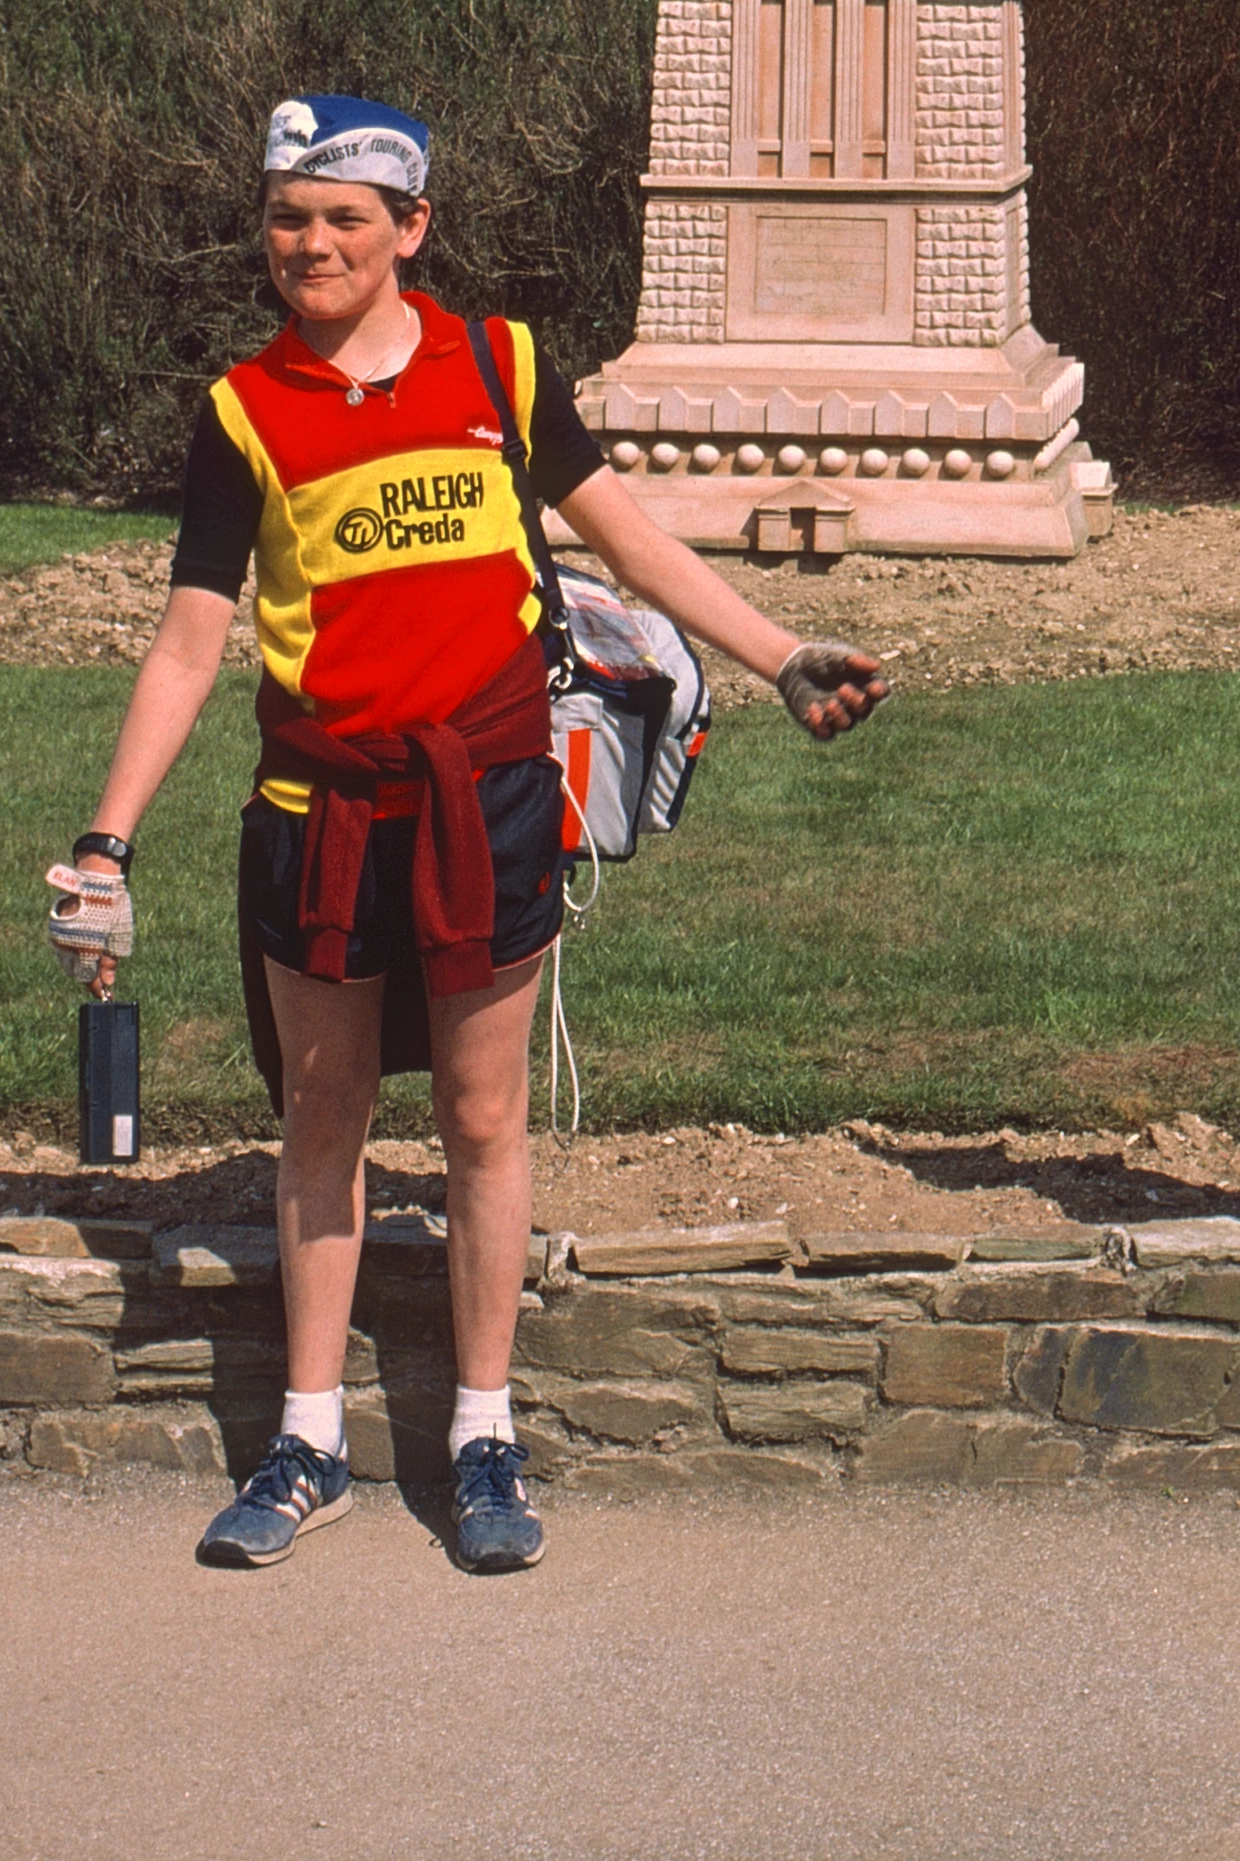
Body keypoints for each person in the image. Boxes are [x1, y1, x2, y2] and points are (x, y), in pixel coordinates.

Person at [45, 93, 885, 1575]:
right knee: (324, 1120)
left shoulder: (497, 364)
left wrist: (777, 652)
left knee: (485, 1122)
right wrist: (106, 841)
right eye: (289, 217)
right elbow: (190, 638)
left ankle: (483, 1432)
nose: (310, 243)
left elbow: (625, 532)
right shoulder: (244, 409)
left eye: (343, 219)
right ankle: (307, 1437)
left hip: (485, 799)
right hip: (317, 809)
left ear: (409, 229)